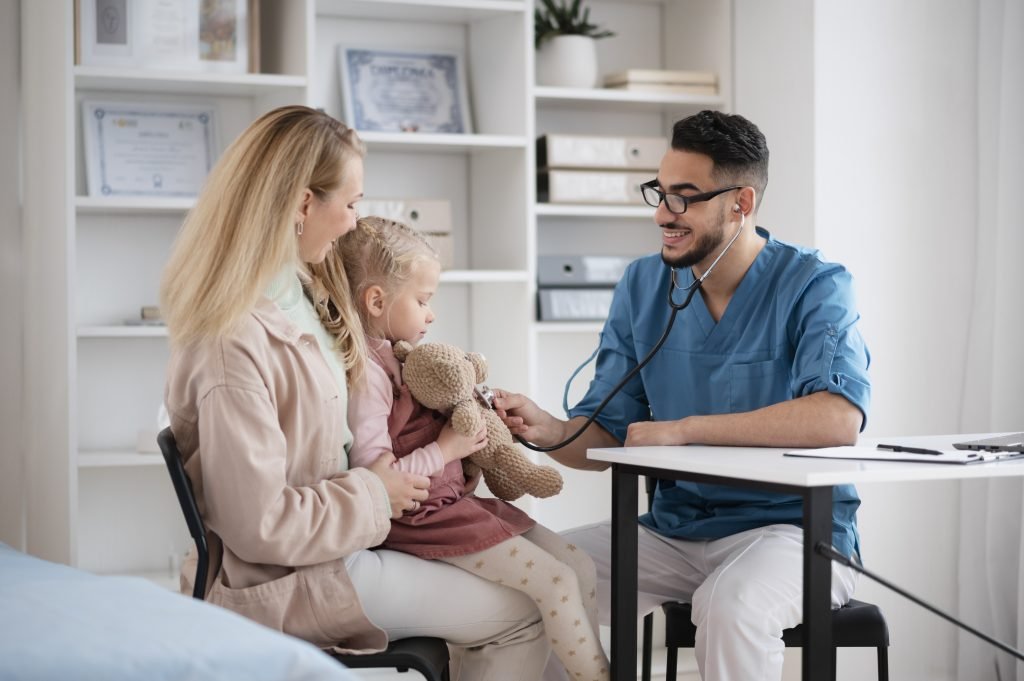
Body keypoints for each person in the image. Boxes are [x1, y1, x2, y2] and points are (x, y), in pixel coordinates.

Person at [160, 105, 550, 680]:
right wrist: (376, 493)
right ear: (301, 203)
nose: (352, 223)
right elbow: (258, 524)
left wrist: (440, 445)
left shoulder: (306, 292)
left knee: (532, 568)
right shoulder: (231, 342)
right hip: (295, 575)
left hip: (345, 543)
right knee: (529, 611)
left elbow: (361, 420)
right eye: (351, 204)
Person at [494, 110, 871, 681]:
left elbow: (837, 419)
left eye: (684, 198)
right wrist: (547, 430)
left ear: (740, 203)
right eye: (660, 192)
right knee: (530, 577)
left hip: (793, 532)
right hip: (676, 530)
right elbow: (608, 434)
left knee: (733, 605)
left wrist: (685, 428)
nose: (661, 214)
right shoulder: (644, 284)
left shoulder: (816, 284)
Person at [310, 216, 608, 681]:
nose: (430, 314)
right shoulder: (368, 375)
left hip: (452, 505)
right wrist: (448, 449)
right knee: (556, 583)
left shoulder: (398, 353)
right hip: (424, 521)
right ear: (376, 300)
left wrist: (464, 454)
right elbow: (379, 477)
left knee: (578, 567)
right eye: (423, 301)